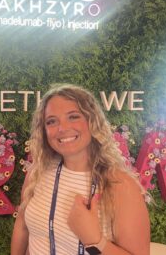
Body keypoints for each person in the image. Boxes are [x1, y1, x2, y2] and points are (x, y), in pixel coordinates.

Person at [11, 84, 150, 255]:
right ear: (44, 130)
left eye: (73, 116)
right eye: (52, 121)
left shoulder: (120, 185)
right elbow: (22, 227)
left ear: (92, 122)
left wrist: (94, 240)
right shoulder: (37, 173)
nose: (62, 128)